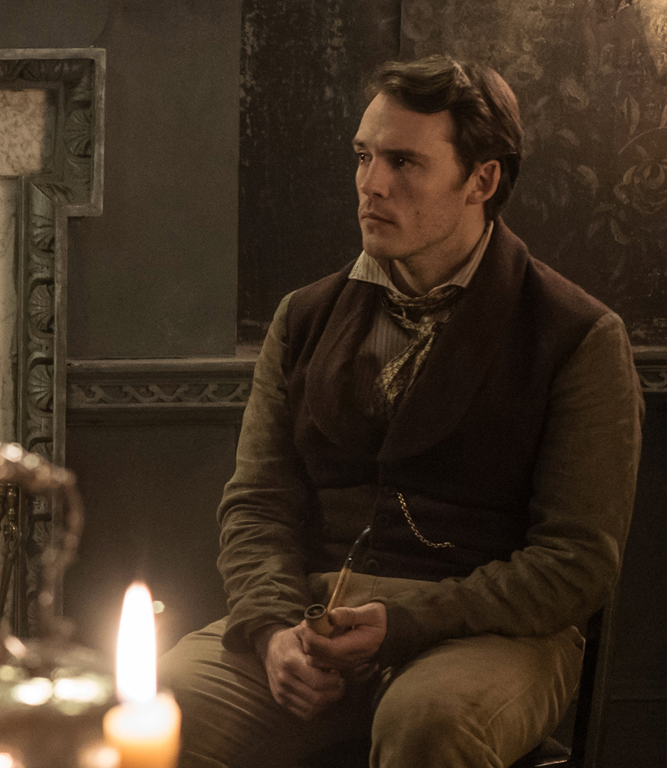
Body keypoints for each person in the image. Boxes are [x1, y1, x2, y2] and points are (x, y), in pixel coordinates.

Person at [158, 55, 644, 767]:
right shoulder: (305, 317)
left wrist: (405, 623)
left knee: (427, 723)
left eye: (405, 162)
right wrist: (270, 628)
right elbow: (257, 503)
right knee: (161, 703)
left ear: (482, 180)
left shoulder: (576, 335)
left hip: (489, 635)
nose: (371, 184)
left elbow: (576, 562)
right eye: (364, 156)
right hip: (314, 620)